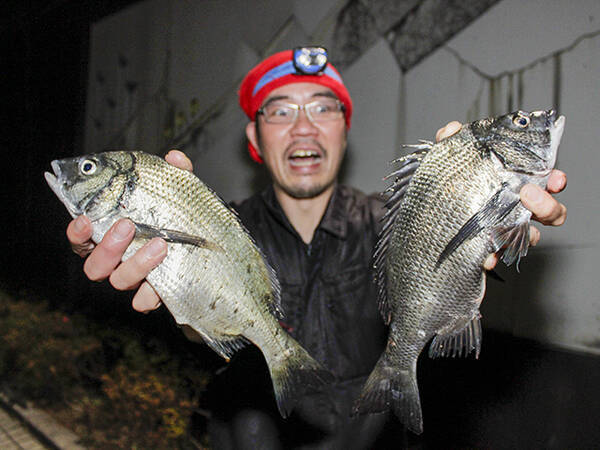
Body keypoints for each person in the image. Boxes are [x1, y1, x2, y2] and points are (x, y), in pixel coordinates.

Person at [66, 47, 568, 448]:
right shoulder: (223, 226)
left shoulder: (391, 221)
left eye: (323, 108)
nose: (303, 127)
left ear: (344, 132)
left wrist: (486, 216)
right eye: (280, 110)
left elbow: (448, 267)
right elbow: (205, 333)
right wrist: (169, 276)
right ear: (255, 138)